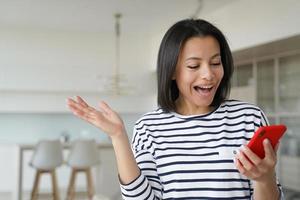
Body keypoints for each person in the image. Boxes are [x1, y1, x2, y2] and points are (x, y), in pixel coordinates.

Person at [67, 19, 284, 199]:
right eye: (194, 66)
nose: (208, 74)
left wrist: (264, 179)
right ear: (172, 71)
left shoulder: (249, 118)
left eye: (216, 63)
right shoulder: (148, 127)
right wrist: (118, 136)